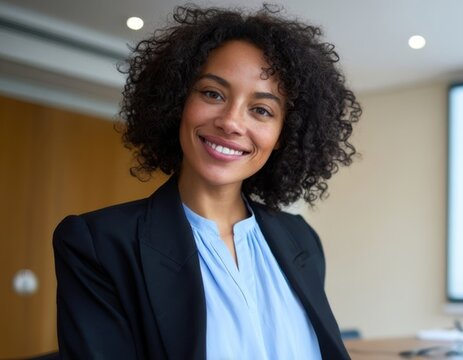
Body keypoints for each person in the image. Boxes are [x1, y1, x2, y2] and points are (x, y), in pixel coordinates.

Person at [52, 4, 360, 359]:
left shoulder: (301, 238)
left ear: (282, 135)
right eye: (213, 93)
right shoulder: (99, 244)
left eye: (261, 110)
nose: (231, 122)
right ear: (178, 102)